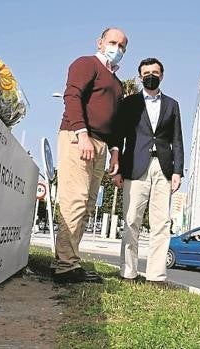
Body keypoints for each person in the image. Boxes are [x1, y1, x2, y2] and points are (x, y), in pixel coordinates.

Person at [52, 27, 128, 283]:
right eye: (113, 42)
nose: (117, 48)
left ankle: (71, 261)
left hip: (102, 146)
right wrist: (82, 134)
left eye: (122, 46)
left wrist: (115, 153)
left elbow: (117, 123)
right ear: (100, 42)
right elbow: (72, 96)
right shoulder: (86, 64)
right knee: (74, 200)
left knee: (87, 205)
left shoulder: (117, 84)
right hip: (78, 138)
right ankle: (64, 267)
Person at [111, 57, 184, 284]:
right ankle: (128, 272)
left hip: (163, 167)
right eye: (146, 73)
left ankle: (156, 276)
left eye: (155, 72)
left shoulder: (172, 105)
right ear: (140, 76)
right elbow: (118, 136)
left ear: (162, 75)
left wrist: (177, 171)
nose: (150, 76)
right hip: (134, 165)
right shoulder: (129, 103)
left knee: (161, 223)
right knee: (131, 219)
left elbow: (177, 140)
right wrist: (117, 169)